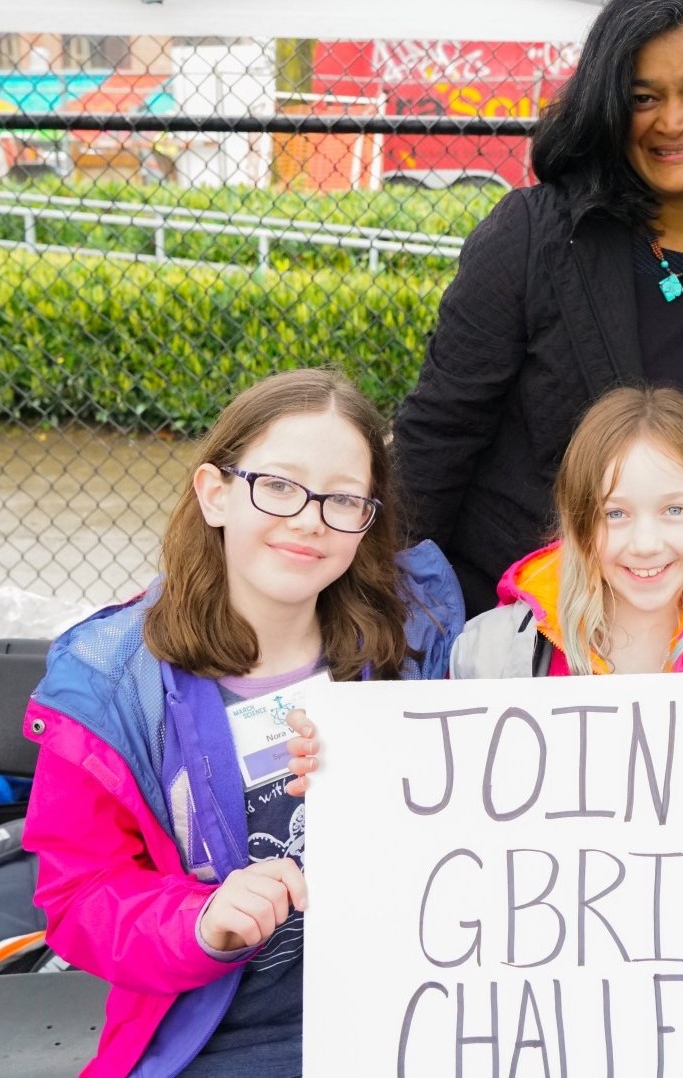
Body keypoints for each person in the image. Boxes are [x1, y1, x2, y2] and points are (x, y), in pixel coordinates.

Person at [21, 368, 462, 1077]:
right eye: (280, 485)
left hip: (405, 1017)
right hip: (215, 1037)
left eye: (343, 498)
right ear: (215, 491)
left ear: (369, 518)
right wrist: (203, 922)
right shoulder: (111, 686)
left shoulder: (421, 641)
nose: (310, 518)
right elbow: (79, 896)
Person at [396, 0, 683, 616]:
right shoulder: (533, 238)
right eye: (642, 97)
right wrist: (389, 617)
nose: (674, 119)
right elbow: (435, 439)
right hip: (528, 622)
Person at [448, 385, 683, 678]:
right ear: (580, 524)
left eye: (674, 510)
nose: (645, 544)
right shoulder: (490, 655)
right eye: (615, 513)